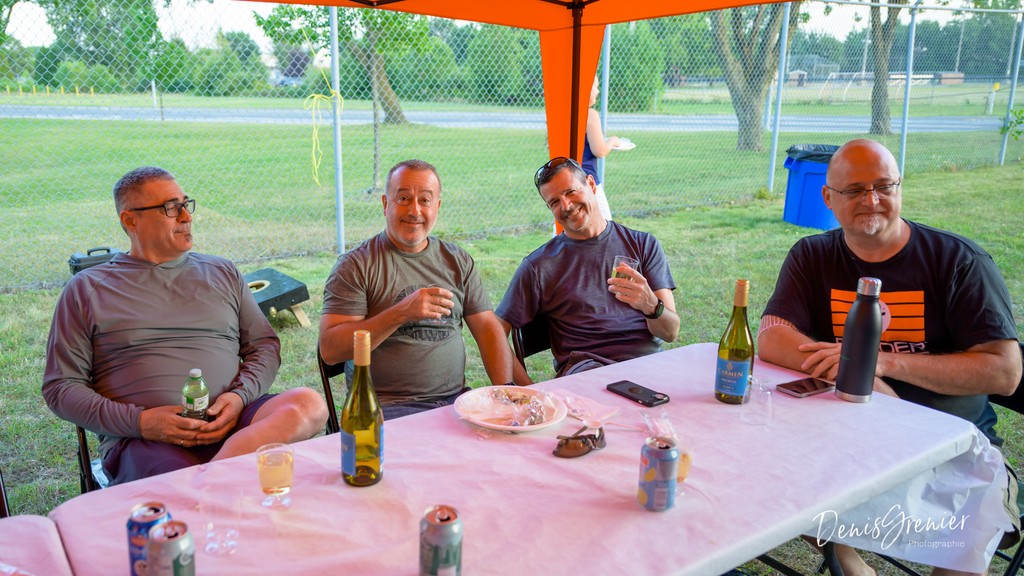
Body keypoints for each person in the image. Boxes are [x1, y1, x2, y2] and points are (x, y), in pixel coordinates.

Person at [758, 139, 1021, 576]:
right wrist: (859, 377)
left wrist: (879, 364)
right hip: (849, 437)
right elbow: (772, 336)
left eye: (884, 186)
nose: (872, 200)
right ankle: (852, 566)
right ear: (828, 198)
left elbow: (1006, 371)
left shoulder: (957, 260)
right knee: (769, 468)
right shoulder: (813, 255)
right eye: (854, 190)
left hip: (953, 446)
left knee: (975, 524)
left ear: (900, 187)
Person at [42, 166, 328, 486]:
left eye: (185, 204)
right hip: (146, 440)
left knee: (309, 405)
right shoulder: (87, 289)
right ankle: (215, 485)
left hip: (236, 424)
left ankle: (206, 483)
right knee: (176, 483)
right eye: (170, 208)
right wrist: (141, 422)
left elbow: (264, 346)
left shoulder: (222, 272)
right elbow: (61, 387)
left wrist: (238, 398)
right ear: (130, 220)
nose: (186, 217)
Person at [319, 159, 514, 419]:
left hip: (456, 404)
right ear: (385, 204)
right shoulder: (356, 265)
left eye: (425, 200)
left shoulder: (457, 260)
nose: (414, 211)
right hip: (387, 410)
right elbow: (331, 350)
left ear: (437, 207)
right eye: (403, 199)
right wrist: (401, 312)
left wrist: (506, 392)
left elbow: (488, 328)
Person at [496, 157, 680, 384]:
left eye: (571, 192)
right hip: (588, 377)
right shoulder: (540, 266)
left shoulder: (642, 245)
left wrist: (650, 304)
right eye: (554, 202)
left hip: (648, 370)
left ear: (591, 185)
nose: (566, 206)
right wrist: (530, 390)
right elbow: (495, 330)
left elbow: (670, 332)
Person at [581, 76, 621, 221]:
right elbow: (600, 151)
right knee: (605, 225)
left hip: (565, 179)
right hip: (587, 180)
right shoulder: (590, 114)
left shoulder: (563, 112)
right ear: (586, 89)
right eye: (595, 87)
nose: (598, 91)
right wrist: (613, 141)